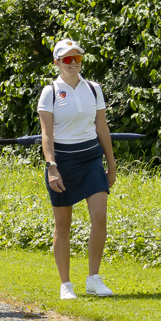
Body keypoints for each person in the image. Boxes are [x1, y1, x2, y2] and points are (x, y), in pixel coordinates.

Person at [38, 39, 116, 300]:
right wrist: (51, 167)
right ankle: (65, 284)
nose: (73, 63)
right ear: (57, 62)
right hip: (62, 163)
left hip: (91, 160)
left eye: (77, 59)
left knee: (100, 217)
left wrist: (111, 164)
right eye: (67, 59)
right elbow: (46, 135)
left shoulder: (94, 89)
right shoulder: (49, 92)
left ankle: (93, 278)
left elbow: (102, 129)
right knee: (63, 225)